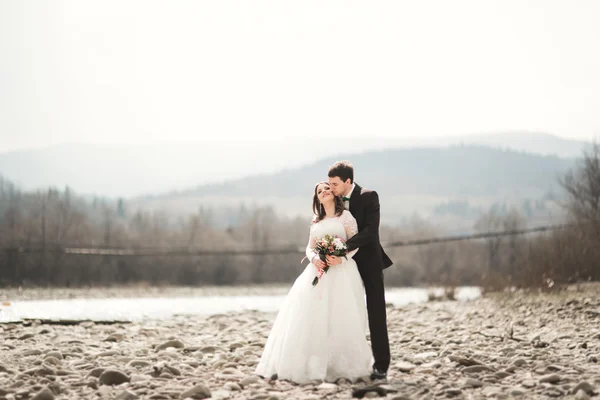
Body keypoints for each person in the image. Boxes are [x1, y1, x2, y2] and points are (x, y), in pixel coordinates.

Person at [255, 181, 372, 383]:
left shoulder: (345, 217)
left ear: (334, 194)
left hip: (342, 271)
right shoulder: (316, 220)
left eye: (327, 188)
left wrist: (341, 257)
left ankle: (341, 365)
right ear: (317, 198)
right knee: (311, 314)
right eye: (320, 191)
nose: (324, 191)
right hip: (317, 271)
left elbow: (355, 244)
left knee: (340, 314)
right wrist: (314, 258)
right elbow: (309, 247)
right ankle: (309, 363)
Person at [326, 160, 392, 380]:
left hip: (369, 262)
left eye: (335, 184)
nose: (331, 188)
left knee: (375, 311)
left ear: (348, 181)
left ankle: (381, 365)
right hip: (342, 265)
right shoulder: (331, 198)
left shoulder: (369, 196)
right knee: (341, 310)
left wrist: (342, 248)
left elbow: (371, 232)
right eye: (329, 183)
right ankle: (340, 362)